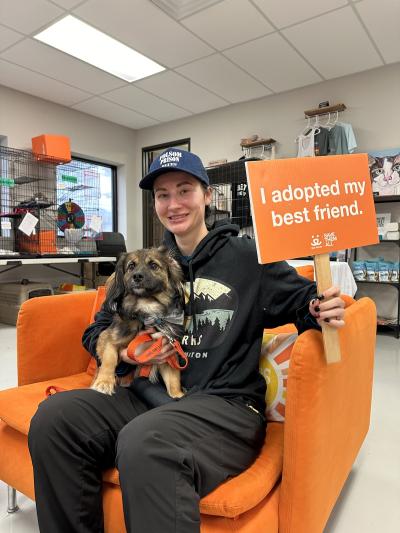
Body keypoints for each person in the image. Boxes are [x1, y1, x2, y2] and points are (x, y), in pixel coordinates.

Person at [28, 149, 345, 533]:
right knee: (54, 419)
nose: (173, 203)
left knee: (146, 443)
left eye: (185, 190)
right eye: (162, 194)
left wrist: (319, 306)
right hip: (149, 396)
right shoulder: (143, 265)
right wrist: (128, 351)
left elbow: (301, 302)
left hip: (225, 406)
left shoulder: (248, 257)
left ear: (207, 195)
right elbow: (96, 330)